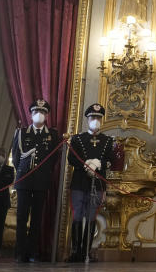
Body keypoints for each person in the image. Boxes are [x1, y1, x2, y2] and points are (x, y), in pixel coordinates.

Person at [12, 99, 61, 263]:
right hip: (24, 180)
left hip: (41, 180)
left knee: (37, 217)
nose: (39, 115)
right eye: (35, 112)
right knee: (21, 216)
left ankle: (33, 251)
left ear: (46, 115)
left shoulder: (52, 135)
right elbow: (17, 157)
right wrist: (22, 173)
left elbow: (54, 158)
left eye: (42, 113)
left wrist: (44, 171)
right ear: (31, 114)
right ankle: (20, 252)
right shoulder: (22, 133)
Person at [67, 103, 115, 263]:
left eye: (98, 118)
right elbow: (71, 158)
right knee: (78, 216)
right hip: (80, 183)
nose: (96, 120)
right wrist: (86, 164)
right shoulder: (77, 139)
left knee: (92, 216)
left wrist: (99, 163)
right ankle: (76, 252)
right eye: (93, 117)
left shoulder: (108, 141)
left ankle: (86, 252)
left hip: (98, 184)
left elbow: (111, 160)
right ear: (87, 119)